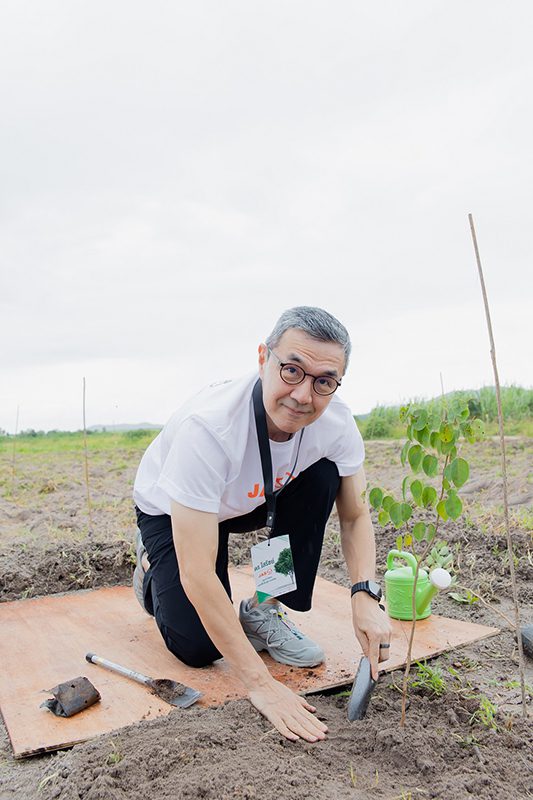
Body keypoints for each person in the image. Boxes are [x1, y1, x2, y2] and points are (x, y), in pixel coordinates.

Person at [132, 306, 391, 742]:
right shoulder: (209, 430)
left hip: (258, 494)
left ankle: (264, 607)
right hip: (178, 511)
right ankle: (149, 570)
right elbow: (197, 574)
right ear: (262, 359)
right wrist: (261, 685)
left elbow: (355, 513)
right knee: (198, 648)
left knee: (323, 477)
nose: (304, 395)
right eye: (292, 370)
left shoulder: (337, 423)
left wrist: (365, 593)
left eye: (324, 380)